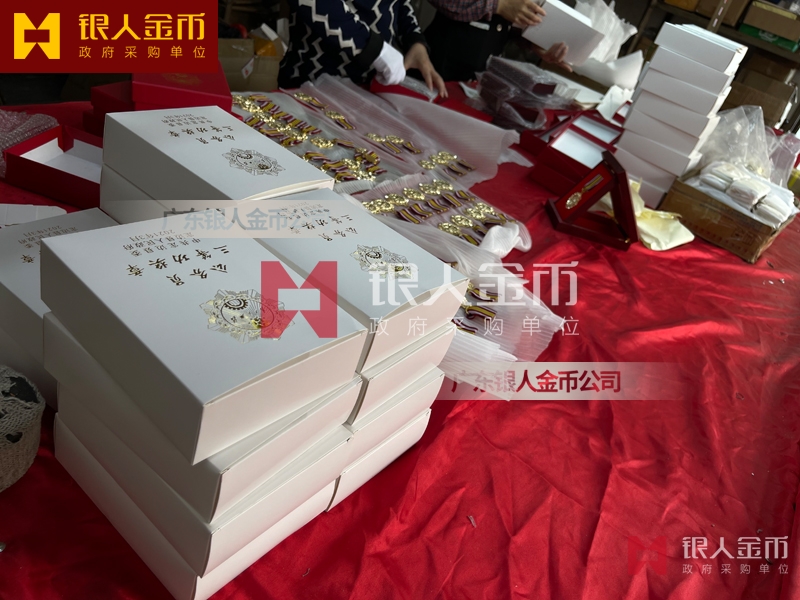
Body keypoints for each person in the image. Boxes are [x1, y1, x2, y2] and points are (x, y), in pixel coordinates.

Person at [279, 0, 448, 97]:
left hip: (371, 87)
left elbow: (400, 3)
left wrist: (414, 40)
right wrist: (374, 48)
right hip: (312, 80)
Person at [425, 0, 571, 82]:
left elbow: (509, 19)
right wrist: (498, 5)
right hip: (436, 69)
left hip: (480, 79)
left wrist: (534, 41)